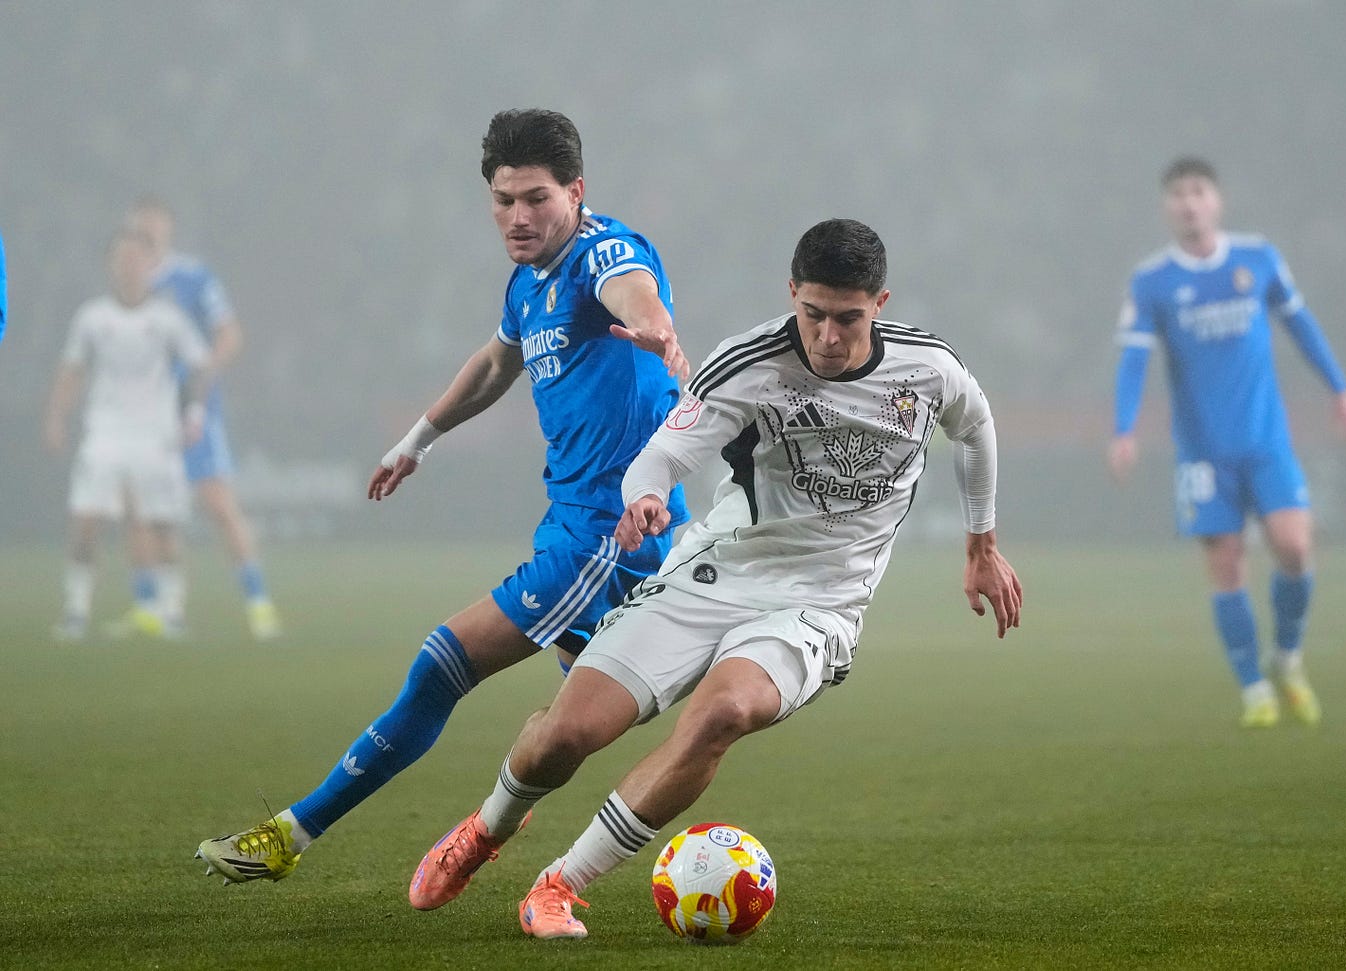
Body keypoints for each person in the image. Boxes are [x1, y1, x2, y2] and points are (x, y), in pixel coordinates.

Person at [406, 218, 1022, 939]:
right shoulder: (749, 364)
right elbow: (662, 455)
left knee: (723, 713)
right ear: (791, 293)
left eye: (848, 319)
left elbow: (975, 427)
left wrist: (982, 543)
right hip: (714, 572)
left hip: (820, 603)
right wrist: (644, 495)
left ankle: (559, 885)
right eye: (813, 314)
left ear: (879, 304)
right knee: (565, 735)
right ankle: (487, 828)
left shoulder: (929, 368)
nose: (828, 336)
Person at [195, 108, 691, 886]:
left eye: (536, 198)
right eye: (503, 200)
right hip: (573, 523)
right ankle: (503, 821)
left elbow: (635, 294)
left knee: (442, 663)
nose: (518, 217)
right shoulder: (528, 282)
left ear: (576, 192)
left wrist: (656, 328)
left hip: (609, 535)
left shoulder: (605, 252)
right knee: (563, 732)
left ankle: (291, 833)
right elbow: (496, 364)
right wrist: (418, 438)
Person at [1108, 157, 1346, 729]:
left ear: (1216, 200)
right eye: (1178, 194)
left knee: (1294, 548)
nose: (1189, 203)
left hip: (1267, 441)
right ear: (1166, 206)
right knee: (1226, 563)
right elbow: (1134, 360)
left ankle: (1286, 658)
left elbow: (1301, 324)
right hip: (1203, 452)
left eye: (1198, 191)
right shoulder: (1152, 282)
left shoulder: (1258, 259)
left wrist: (1340, 389)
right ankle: (1254, 689)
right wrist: (1124, 429)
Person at [120, 197, 281, 641]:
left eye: (154, 225)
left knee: (218, 503)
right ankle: (155, 608)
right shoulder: (129, 281)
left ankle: (259, 604)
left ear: (168, 229)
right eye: (139, 226)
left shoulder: (192, 278)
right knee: (142, 509)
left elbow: (230, 333)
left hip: (191, 410)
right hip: (140, 413)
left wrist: (202, 375)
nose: (146, 233)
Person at [44, 229, 213, 639]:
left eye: (137, 259)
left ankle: (172, 613)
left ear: (150, 266)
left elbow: (200, 365)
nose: (129, 266)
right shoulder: (92, 317)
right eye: (122, 259)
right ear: (110, 265)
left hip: (156, 435)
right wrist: (57, 416)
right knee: (86, 521)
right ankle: (76, 612)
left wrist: (193, 412)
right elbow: (72, 369)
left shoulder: (167, 318)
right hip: (105, 431)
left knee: (163, 523)